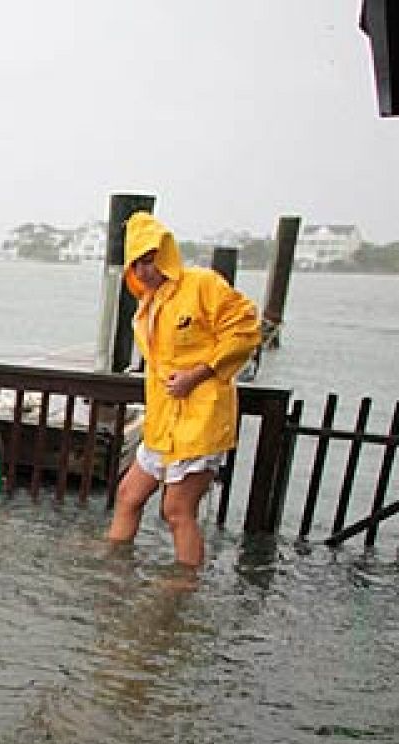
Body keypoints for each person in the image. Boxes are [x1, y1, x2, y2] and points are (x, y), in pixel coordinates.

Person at [106, 211, 260, 568]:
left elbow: (245, 330)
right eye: (136, 264)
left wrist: (199, 373)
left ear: (166, 255)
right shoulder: (148, 305)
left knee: (177, 510)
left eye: (149, 260)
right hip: (163, 421)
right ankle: (112, 563)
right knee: (129, 494)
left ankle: (184, 584)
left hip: (200, 419)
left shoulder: (202, 284)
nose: (143, 271)